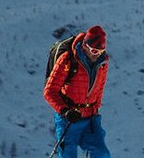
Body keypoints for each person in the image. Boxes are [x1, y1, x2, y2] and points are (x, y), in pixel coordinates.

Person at [44, 25, 112, 158]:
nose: (97, 54)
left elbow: (99, 90)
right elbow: (49, 91)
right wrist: (65, 111)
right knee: (68, 155)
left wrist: (95, 110)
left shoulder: (102, 63)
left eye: (101, 51)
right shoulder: (68, 60)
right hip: (68, 120)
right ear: (85, 46)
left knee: (101, 153)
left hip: (90, 119)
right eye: (94, 51)